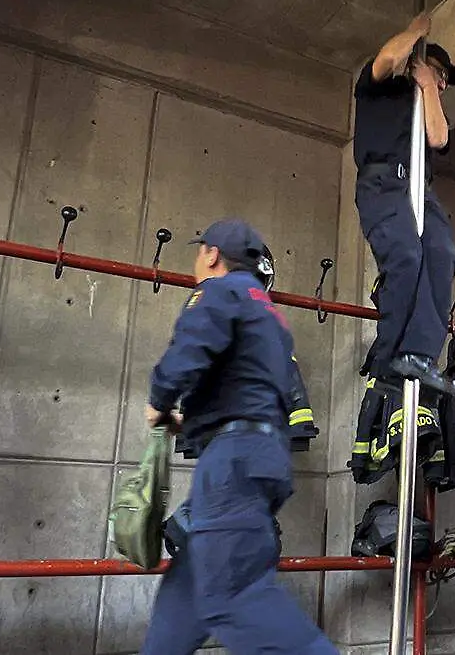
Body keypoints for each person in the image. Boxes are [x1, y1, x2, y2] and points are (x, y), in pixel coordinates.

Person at [140, 218, 336, 655]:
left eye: (199, 251)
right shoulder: (269, 316)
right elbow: (246, 388)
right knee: (185, 595)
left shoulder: (218, 292)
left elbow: (189, 351)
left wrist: (159, 400)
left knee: (233, 595)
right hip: (259, 454)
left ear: (211, 254)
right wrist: (189, 422)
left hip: (232, 464)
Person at [353, 12, 455, 395]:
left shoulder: (429, 99)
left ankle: (417, 355)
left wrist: (429, 88)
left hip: (420, 188)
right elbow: (385, 59)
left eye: (446, 80)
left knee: (441, 253)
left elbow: (438, 137)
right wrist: (416, 31)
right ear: (420, 63)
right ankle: (387, 359)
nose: (444, 82)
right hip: (383, 182)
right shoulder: (381, 88)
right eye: (440, 73)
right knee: (405, 256)